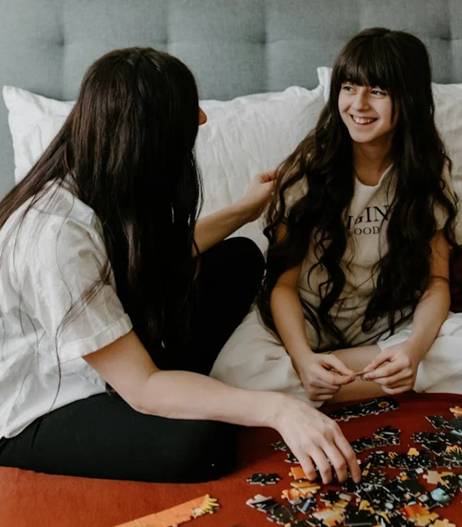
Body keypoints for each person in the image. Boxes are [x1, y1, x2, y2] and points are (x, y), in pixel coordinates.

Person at [0, 47, 360, 485]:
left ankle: (188, 391)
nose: (203, 120)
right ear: (147, 137)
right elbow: (141, 386)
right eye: (186, 110)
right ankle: (188, 395)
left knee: (240, 257)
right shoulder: (57, 236)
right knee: (202, 445)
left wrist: (246, 210)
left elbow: (157, 257)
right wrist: (279, 408)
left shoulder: (95, 174)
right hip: (38, 402)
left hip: (103, 349)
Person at [211, 28, 462, 404]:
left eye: (378, 91)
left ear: (409, 98)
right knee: (233, 371)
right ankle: (358, 378)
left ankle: (332, 382)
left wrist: (413, 351)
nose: (359, 104)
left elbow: (436, 282)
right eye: (349, 87)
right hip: (307, 321)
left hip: (388, 323)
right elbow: (282, 286)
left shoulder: (426, 174)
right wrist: (302, 359)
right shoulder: (305, 173)